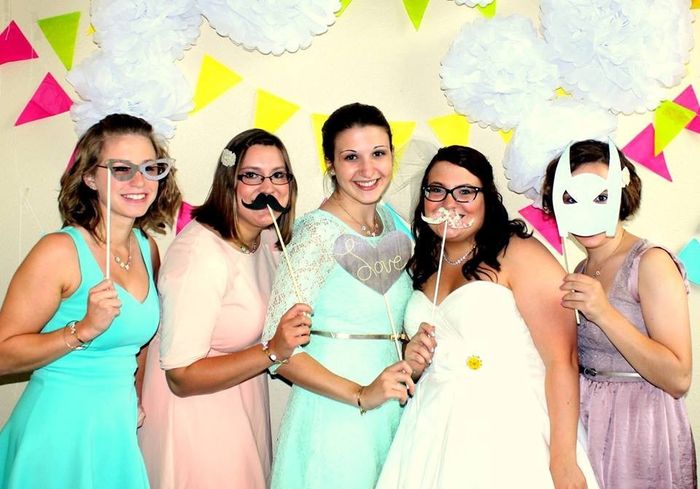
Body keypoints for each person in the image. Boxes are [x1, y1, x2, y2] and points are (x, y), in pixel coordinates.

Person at [376, 145, 599, 489]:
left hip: (508, 429)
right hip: (428, 430)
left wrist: (563, 458)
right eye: (437, 190)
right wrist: (414, 360)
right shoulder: (423, 262)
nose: (450, 203)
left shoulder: (519, 253)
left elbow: (563, 360)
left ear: (487, 198)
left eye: (465, 191)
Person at [0, 113, 181, 489]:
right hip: (57, 434)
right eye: (121, 169)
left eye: (150, 168)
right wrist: (81, 330)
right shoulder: (59, 251)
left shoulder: (147, 247)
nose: (139, 181)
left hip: (114, 431)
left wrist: (134, 399)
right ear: (89, 177)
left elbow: (140, 346)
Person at [138, 128, 310, 489]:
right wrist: (272, 350)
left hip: (241, 406)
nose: (268, 188)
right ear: (228, 183)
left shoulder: (266, 240)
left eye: (278, 175)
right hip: (196, 421)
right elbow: (181, 377)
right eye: (252, 176)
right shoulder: (199, 255)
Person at [261, 102, 415, 489]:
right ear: (330, 164)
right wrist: (361, 394)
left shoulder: (395, 223)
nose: (367, 170)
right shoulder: (315, 234)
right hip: (335, 418)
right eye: (351, 157)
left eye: (378, 153)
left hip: (391, 414)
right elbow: (279, 352)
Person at [540, 139, 696, 489]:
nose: (587, 210)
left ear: (622, 195)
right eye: (571, 199)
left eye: (600, 197)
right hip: (590, 424)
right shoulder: (581, 269)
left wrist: (604, 312)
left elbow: (679, 377)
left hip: (642, 429)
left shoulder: (650, 262)